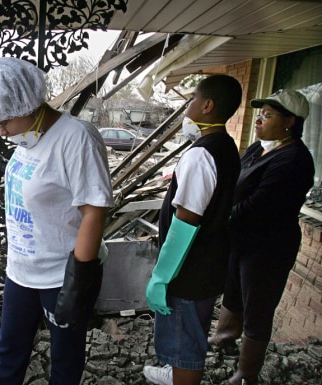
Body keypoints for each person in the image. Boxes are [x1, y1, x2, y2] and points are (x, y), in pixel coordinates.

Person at [0, 57, 114, 385]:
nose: (1, 131)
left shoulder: (76, 139)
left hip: (62, 275)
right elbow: (36, 183)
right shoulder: (28, 138)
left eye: (3, 122)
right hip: (23, 271)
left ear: (25, 105)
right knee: (7, 351)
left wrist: (77, 285)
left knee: (64, 359)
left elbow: (94, 210)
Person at [208, 89, 315, 385]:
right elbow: (234, 182)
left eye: (268, 115)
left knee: (257, 304)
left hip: (268, 246)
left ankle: (247, 371)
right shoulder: (259, 149)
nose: (259, 120)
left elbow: (260, 205)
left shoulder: (294, 159)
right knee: (233, 289)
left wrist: (220, 218)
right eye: (260, 113)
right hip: (242, 238)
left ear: (290, 122)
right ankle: (225, 336)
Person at [143, 74, 243, 385]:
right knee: (187, 337)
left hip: (189, 272)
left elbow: (186, 221)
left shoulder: (202, 154)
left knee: (185, 345)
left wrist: (161, 276)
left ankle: (182, 376)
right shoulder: (226, 146)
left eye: (192, 101)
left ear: (208, 105)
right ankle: (176, 374)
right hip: (208, 264)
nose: (188, 108)